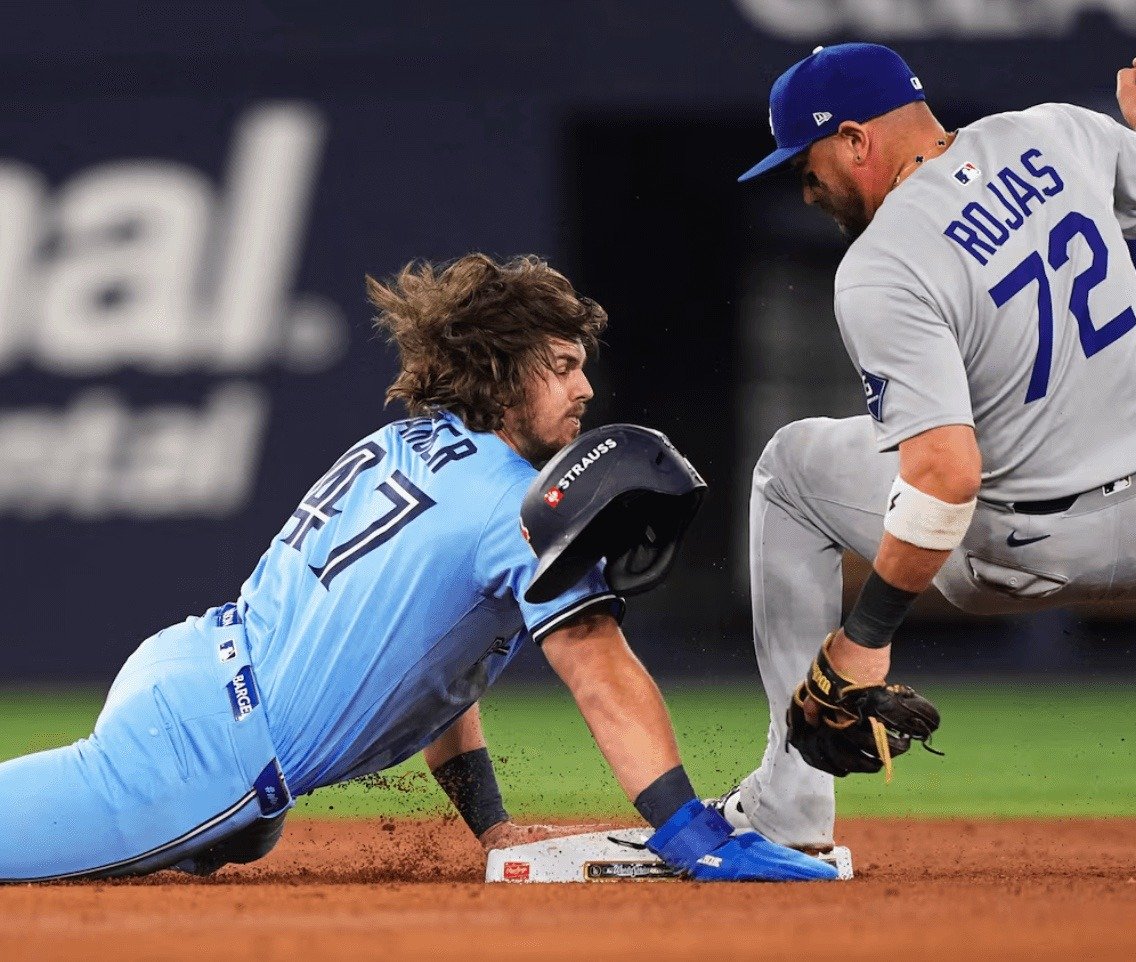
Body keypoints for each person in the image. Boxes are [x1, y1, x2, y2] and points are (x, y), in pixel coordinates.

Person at [719, 43, 1136, 868]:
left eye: (806, 158)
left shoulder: (881, 264)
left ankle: (790, 805)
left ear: (855, 140)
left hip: (1020, 547)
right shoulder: (1054, 134)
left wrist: (865, 639)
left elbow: (944, 472)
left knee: (789, 469)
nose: (803, 182)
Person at [0, 253, 835, 883]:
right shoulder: (519, 510)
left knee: (246, 831)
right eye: (561, 365)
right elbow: (596, 667)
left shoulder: (411, 442)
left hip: (190, 672)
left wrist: (490, 828)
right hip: (201, 754)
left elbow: (444, 665)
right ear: (506, 371)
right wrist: (690, 834)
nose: (585, 387)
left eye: (582, 363)